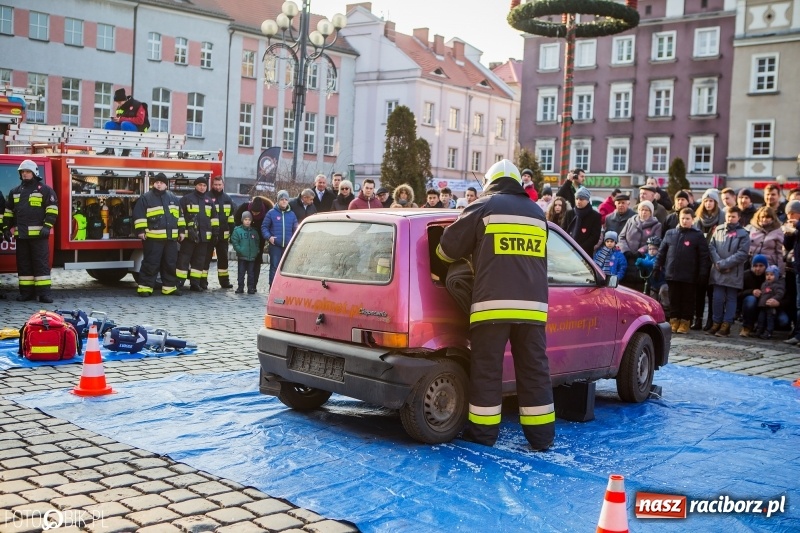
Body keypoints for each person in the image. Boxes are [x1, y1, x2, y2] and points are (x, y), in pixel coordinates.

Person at [436, 159, 554, 451]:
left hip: (492, 306)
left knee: (487, 370)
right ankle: (542, 438)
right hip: (533, 308)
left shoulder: (484, 207)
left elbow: (446, 249)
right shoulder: (537, 213)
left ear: (489, 182)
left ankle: (484, 435)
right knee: (535, 370)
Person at [3, 160, 58, 303]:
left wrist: (47, 226)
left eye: (27, 171)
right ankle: (26, 293)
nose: (25, 174)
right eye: (22, 172)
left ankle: (44, 294)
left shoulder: (44, 190)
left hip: (39, 236)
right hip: (21, 236)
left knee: (41, 265)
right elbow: (8, 212)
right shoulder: (15, 192)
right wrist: (6, 228)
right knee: (24, 265)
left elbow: (52, 210)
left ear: (34, 173)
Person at [655, 207, 711, 334]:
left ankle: (685, 321)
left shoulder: (697, 235)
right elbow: (661, 252)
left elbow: (703, 256)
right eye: (682, 218)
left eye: (687, 219)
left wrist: (703, 273)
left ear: (693, 219)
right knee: (674, 298)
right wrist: (657, 266)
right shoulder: (670, 233)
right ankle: (674, 320)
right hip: (672, 273)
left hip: (689, 275)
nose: (684, 221)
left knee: (687, 299)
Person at [132, 172, 184, 296]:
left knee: (170, 263)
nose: (159, 185)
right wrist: (140, 231)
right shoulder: (146, 197)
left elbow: (180, 216)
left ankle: (169, 287)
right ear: (153, 183)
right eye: (157, 182)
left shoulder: (173, 198)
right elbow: (139, 215)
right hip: (152, 238)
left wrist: (181, 231)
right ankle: (145, 288)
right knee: (151, 263)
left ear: (166, 185)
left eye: (161, 183)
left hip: (170, 239)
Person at [708, 206, 750, 337]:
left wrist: (726, 263)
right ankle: (716, 322)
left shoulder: (743, 234)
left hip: (733, 271)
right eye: (728, 216)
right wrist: (718, 262)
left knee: (731, 298)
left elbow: (742, 253)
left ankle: (726, 324)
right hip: (718, 269)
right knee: (717, 298)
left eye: (733, 216)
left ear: (738, 218)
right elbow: (712, 246)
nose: (730, 218)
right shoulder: (719, 230)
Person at [692, 189, 725, 330]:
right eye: (706, 200)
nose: (708, 203)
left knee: (712, 292)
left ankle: (712, 319)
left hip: (714, 258)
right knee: (699, 292)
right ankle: (698, 318)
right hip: (700, 258)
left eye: (711, 200)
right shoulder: (699, 218)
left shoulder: (721, 217)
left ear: (716, 202)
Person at [177, 176, 216, 291]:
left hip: (204, 238)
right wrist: (182, 231)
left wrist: (215, 234)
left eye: (204, 185)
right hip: (189, 237)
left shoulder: (209, 201)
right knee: (183, 260)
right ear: (195, 186)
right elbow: (179, 216)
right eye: (200, 185)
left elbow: (214, 219)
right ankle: (179, 282)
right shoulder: (186, 199)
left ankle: (195, 283)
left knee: (199, 261)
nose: (202, 187)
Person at [618, 200, 662, 290]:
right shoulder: (631, 221)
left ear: (651, 212)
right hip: (627, 257)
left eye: (646, 210)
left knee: (640, 286)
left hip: (643, 259)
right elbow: (621, 236)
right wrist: (625, 250)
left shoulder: (656, 225)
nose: (643, 212)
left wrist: (640, 251)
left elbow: (655, 242)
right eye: (641, 209)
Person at [234, 196, 272, 289]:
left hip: (258, 238)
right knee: (242, 262)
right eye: (253, 212)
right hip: (244, 238)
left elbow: (268, 225)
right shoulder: (244, 207)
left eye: (257, 213)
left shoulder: (267, 212)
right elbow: (237, 219)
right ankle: (241, 286)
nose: (254, 214)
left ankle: (253, 285)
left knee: (257, 261)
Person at [261, 190, 298, 287]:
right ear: (278, 201)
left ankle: (284, 287)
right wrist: (269, 237)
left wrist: (294, 240)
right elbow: (264, 227)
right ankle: (273, 287)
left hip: (287, 246)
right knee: (274, 266)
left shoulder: (292, 214)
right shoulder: (271, 213)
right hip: (275, 245)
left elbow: (296, 229)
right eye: (282, 199)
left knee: (286, 268)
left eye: (286, 199)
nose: (284, 201)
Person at [204, 176, 235, 289]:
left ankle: (224, 282)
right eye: (215, 184)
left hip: (223, 236)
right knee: (206, 259)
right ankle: (203, 282)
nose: (217, 187)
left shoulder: (227, 199)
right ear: (212, 185)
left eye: (219, 184)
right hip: (210, 235)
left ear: (223, 185)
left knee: (223, 259)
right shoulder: (206, 197)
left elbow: (231, 218)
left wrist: (233, 233)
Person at [746, 206, 784, 275]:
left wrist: (780, 271)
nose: (764, 219)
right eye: (762, 217)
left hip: (769, 266)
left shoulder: (777, 231)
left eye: (767, 217)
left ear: (772, 218)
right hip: (753, 264)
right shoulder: (752, 228)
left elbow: (779, 253)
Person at [564, 187, 601, 257]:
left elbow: (594, 237)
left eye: (581, 199)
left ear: (587, 200)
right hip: (567, 251)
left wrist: (579, 249)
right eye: (577, 199)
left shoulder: (595, 216)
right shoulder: (569, 214)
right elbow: (563, 230)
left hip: (585, 254)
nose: (578, 201)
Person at [230, 211, 260, 294]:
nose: (247, 221)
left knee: (251, 273)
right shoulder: (237, 231)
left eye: (249, 220)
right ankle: (240, 287)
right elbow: (234, 241)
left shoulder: (254, 232)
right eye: (245, 219)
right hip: (242, 256)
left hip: (252, 256)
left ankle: (250, 288)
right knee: (241, 272)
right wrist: (240, 250)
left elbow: (257, 242)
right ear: (242, 220)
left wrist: (256, 250)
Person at [739, 255, 768, 337]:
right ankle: (747, 327)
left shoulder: (770, 276)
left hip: (765, 304)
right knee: (750, 300)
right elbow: (737, 294)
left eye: (761, 266)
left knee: (783, 321)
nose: (758, 269)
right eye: (755, 266)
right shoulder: (746, 275)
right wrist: (751, 291)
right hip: (749, 304)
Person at [754, 266, 785, 340]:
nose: (769, 277)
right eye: (767, 274)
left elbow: (780, 294)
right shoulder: (764, 284)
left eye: (771, 275)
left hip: (770, 306)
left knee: (769, 319)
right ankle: (760, 330)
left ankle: (768, 332)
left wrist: (773, 299)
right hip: (762, 306)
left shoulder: (778, 285)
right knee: (761, 319)